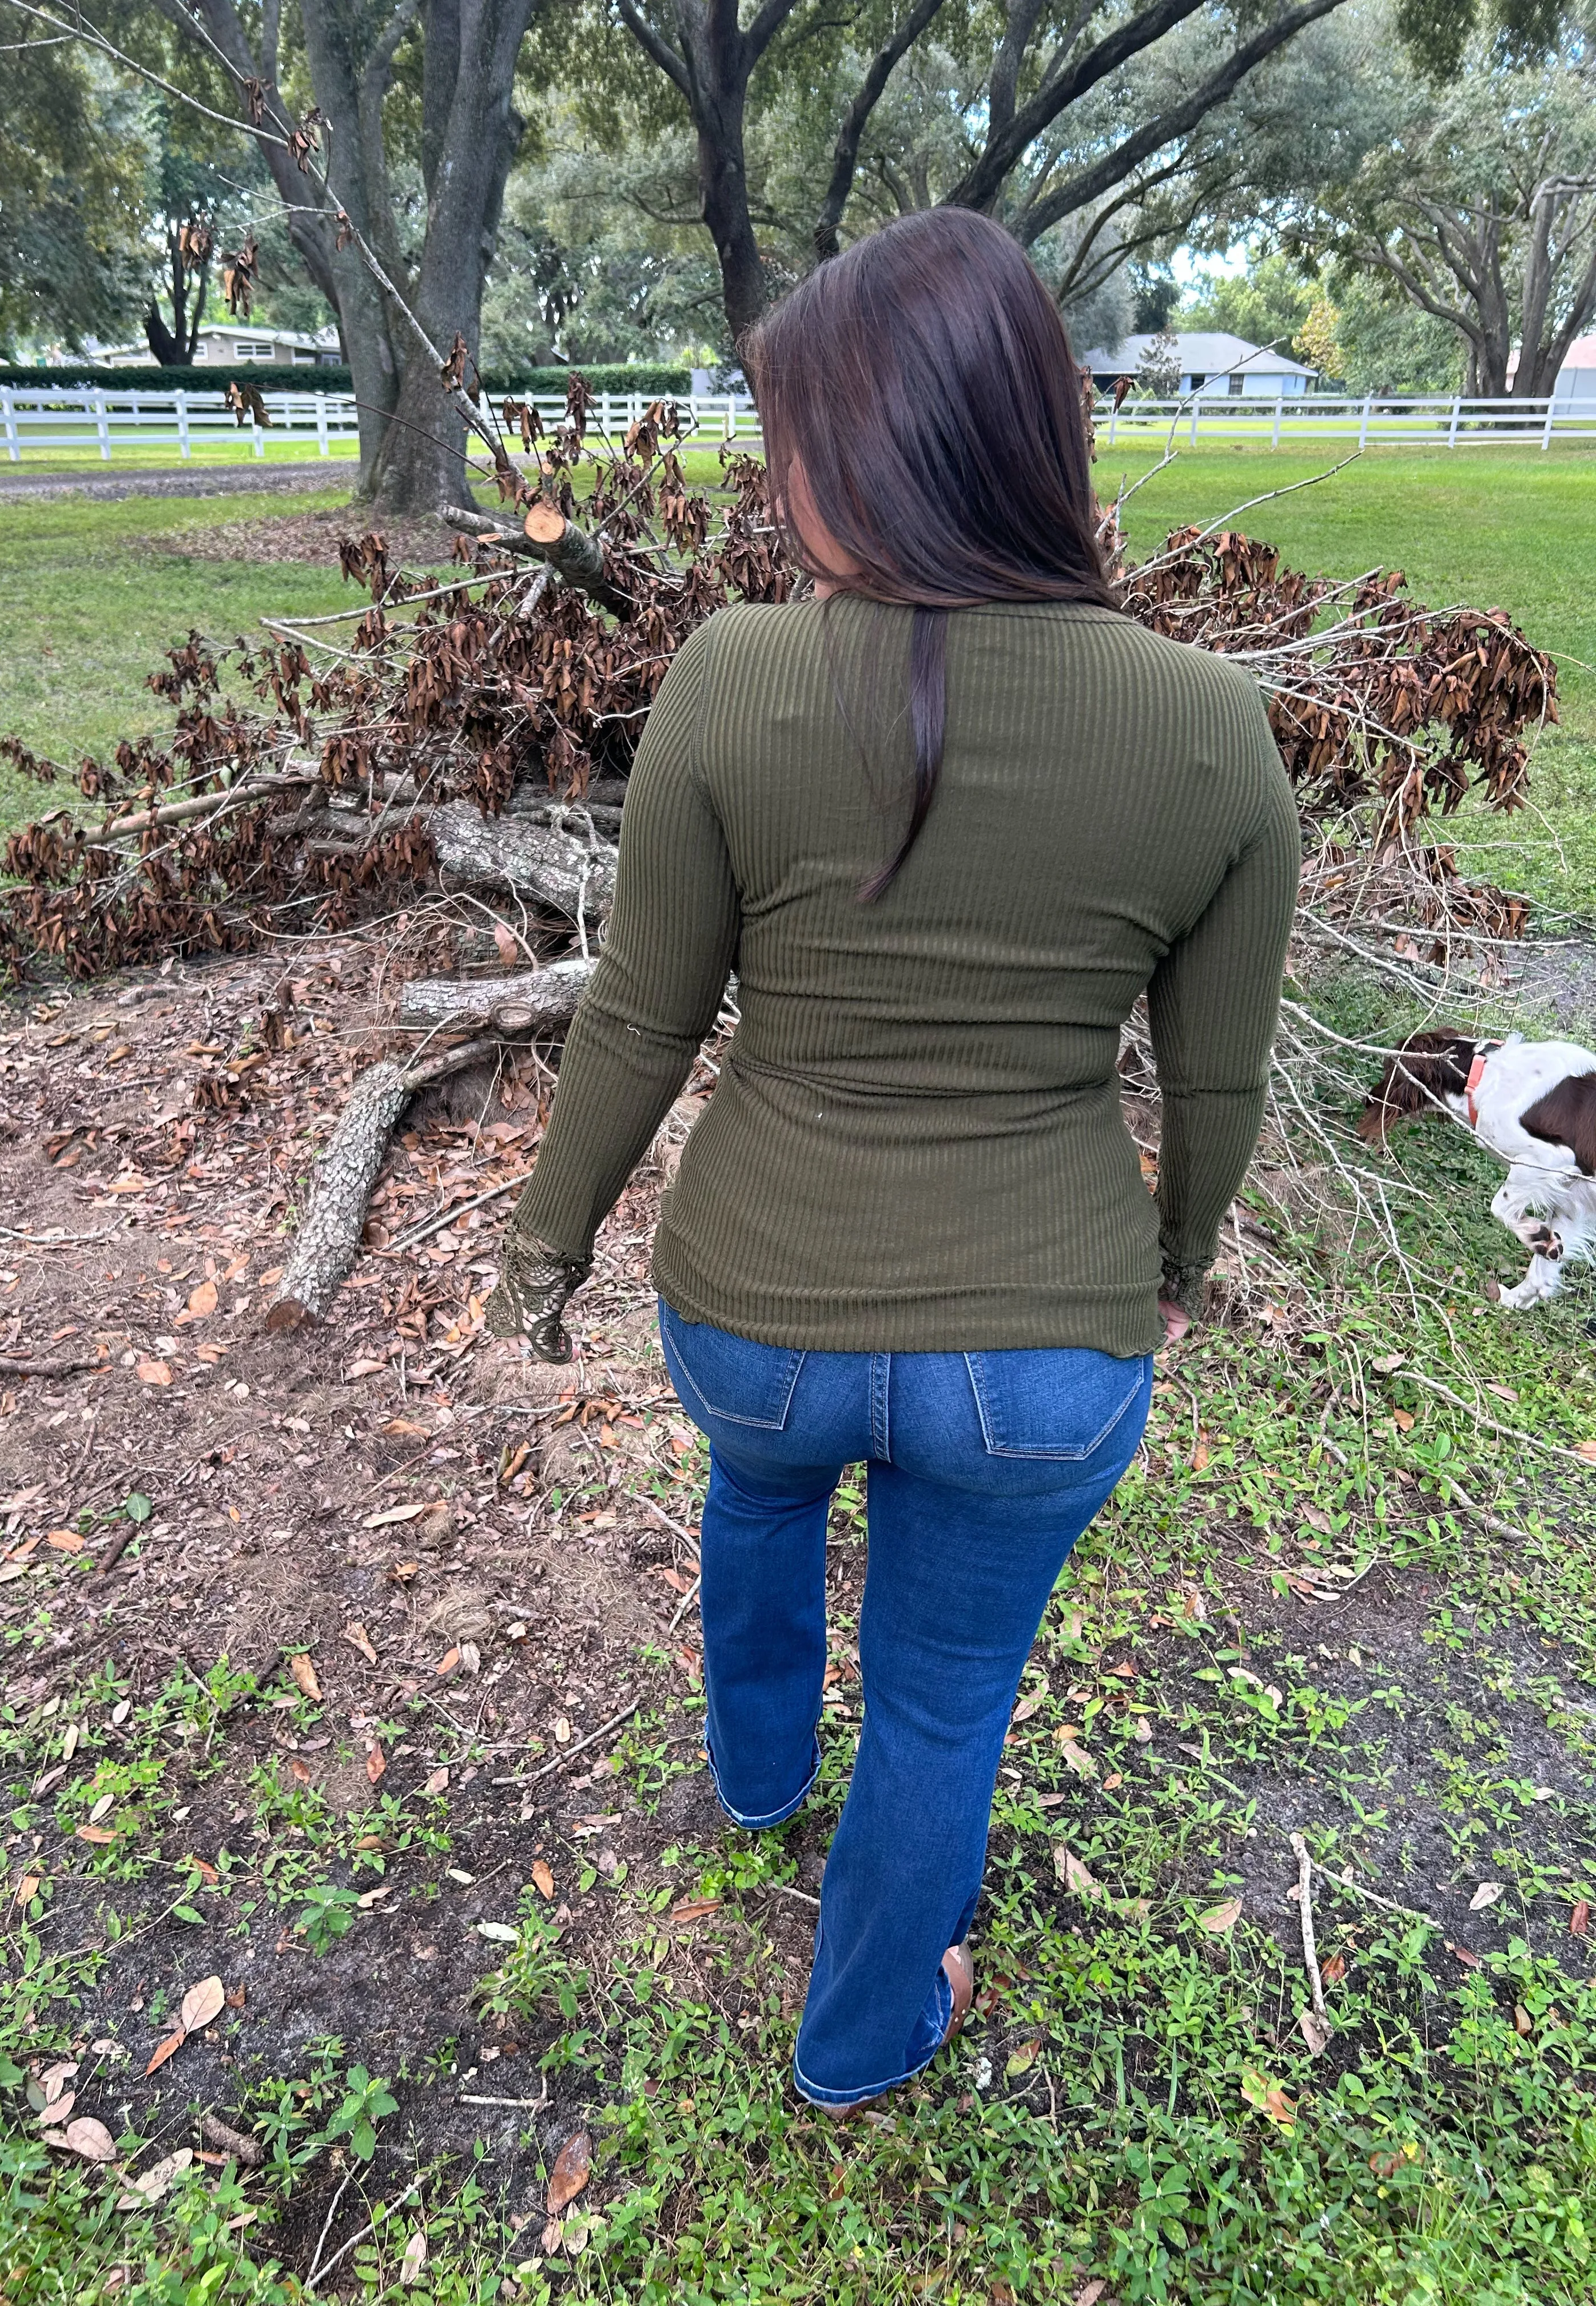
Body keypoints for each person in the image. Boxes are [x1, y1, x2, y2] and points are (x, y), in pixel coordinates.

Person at [487, 207, 1298, 2116]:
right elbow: (1224, 1092)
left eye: (796, 444)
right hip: (1042, 1347)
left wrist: (547, 1248)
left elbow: (638, 1015)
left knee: (760, 1502)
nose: (780, 489)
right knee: (944, 1699)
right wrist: (1169, 1272)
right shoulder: (1213, 731)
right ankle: (863, 2034)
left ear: (878, 453)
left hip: (757, 1312)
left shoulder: (729, 678)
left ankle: (758, 1771)